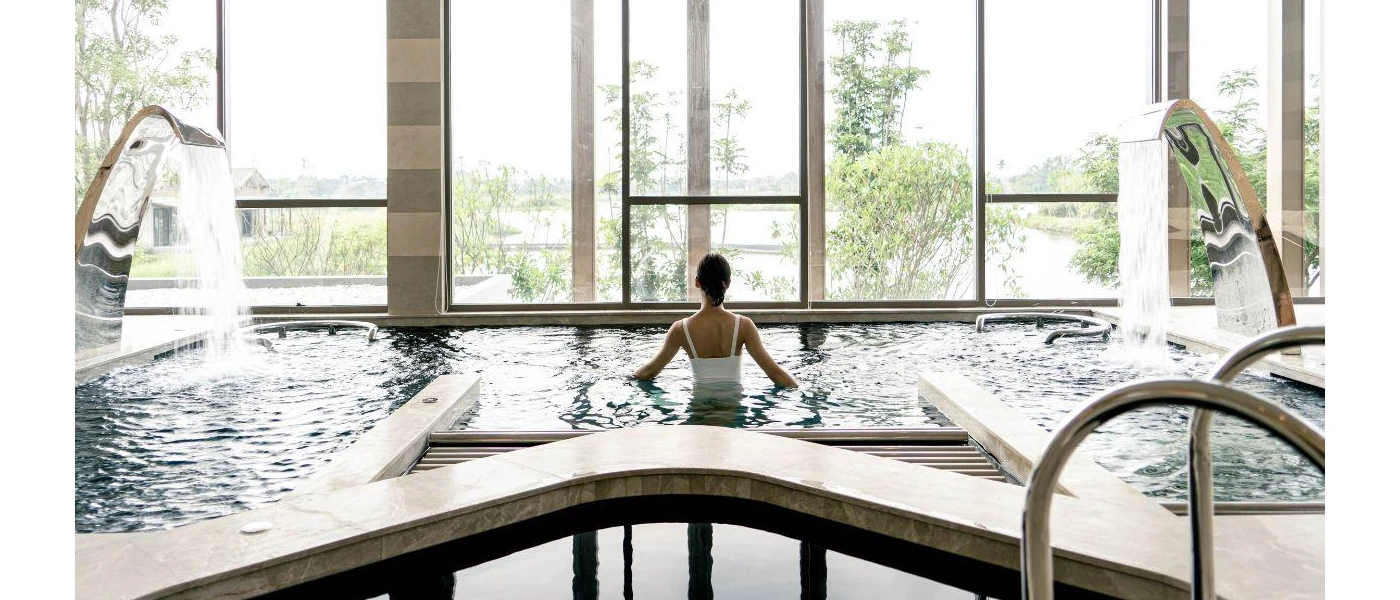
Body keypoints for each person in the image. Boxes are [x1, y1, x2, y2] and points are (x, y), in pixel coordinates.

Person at [632, 253, 798, 388]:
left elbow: (650, 371)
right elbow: (775, 374)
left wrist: (624, 379)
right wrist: (801, 390)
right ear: (728, 284)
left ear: (697, 282)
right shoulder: (744, 326)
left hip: (699, 414)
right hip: (732, 414)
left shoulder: (680, 329)